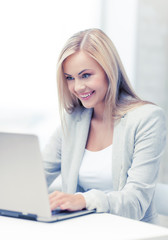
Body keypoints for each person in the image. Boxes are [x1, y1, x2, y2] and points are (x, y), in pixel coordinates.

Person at [43, 28, 166, 224]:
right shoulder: (73, 121)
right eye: (70, 78)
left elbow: (136, 201)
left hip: (132, 232)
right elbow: (36, 176)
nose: (77, 87)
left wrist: (83, 200)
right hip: (82, 230)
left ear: (109, 71)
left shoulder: (147, 119)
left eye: (85, 75)